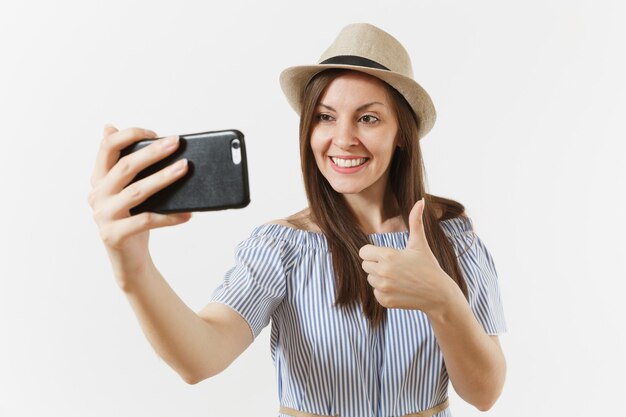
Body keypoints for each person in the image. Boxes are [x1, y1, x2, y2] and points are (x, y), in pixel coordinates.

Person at [88, 23, 506, 417]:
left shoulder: (453, 236)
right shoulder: (282, 246)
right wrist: (133, 267)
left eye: (368, 118)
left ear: (402, 134)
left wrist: (444, 301)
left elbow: (484, 393)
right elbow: (201, 358)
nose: (343, 139)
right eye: (325, 116)